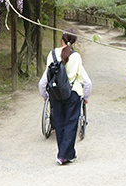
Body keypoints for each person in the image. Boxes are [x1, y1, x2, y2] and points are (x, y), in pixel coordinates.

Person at [38, 31, 92, 165]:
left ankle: (68, 154)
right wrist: (85, 97)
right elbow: (87, 82)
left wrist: (45, 95)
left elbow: (43, 81)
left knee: (60, 123)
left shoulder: (51, 54)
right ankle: (63, 155)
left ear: (62, 40)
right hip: (72, 93)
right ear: (74, 42)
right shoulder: (76, 57)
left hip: (55, 94)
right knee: (71, 124)